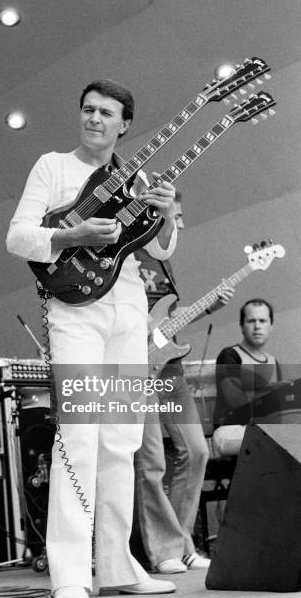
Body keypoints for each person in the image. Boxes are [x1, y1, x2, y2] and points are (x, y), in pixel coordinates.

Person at [6, 79, 179, 597]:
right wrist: (69, 236)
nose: (95, 118)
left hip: (126, 313)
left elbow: (162, 252)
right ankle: (71, 577)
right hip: (74, 315)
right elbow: (17, 237)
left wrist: (168, 213)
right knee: (78, 439)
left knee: (121, 443)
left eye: (107, 112)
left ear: (125, 124)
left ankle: (119, 567)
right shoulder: (52, 166)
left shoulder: (137, 174)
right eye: (88, 109)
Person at [133, 197, 235, 574]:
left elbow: (169, 318)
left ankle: (181, 542)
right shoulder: (127, 254)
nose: (181, 225)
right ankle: (163, 552)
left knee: (196, 451)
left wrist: (207, 309)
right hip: (135, 366)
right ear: (156, 217)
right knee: (151, 460)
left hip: (171, 368)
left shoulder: (164, 261)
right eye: (175, 217)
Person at [213, 298, 281, 455]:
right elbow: (236, 404)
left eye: (263, 321)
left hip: (266, 428)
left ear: (271, 326)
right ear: (242, 326)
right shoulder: (230, 355)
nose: (257, 326)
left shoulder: (273, 361)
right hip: (230, 431)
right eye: (251, 321)